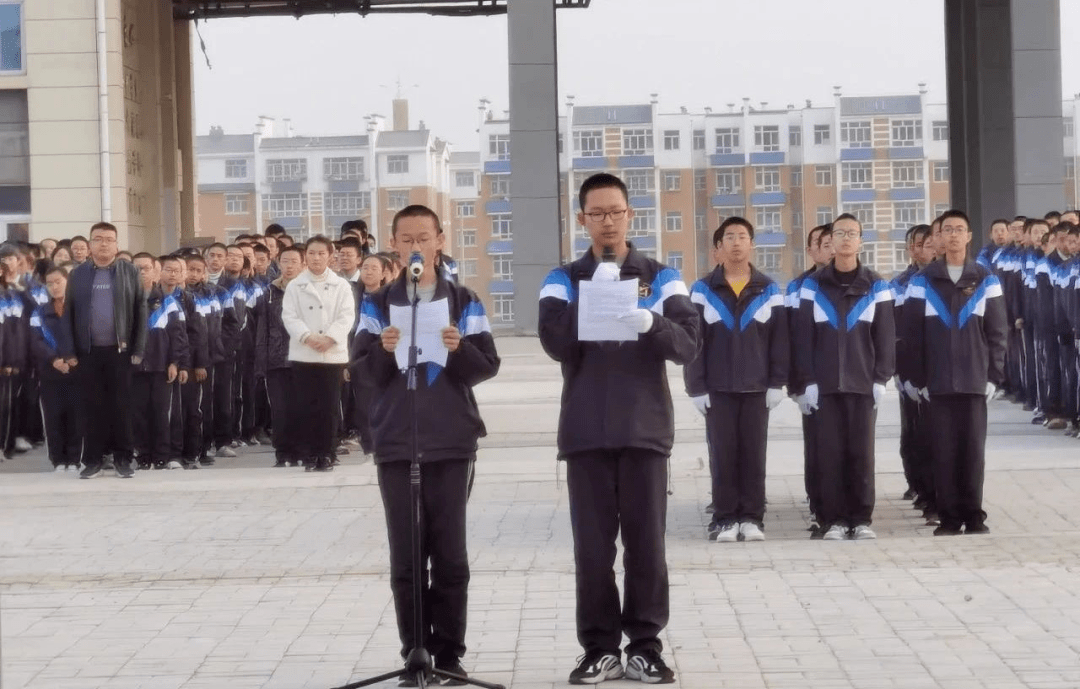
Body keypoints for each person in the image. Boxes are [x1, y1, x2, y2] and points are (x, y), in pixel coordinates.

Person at [538, 173, 698, 685]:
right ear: (582, 219)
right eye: (597, 213)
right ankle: (599, 648)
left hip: (644, 428)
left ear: (631, 215)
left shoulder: (663, 276)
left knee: (647, 545)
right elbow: (554, 341)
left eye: (616, 211)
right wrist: (597, 297)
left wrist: (651, 323)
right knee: (592, 548)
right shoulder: (562, 278)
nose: (607, 221)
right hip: (585, 430)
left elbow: (688, 345)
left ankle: (646, 645)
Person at [351, 204, 500, 686]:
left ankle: (449, 654)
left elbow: (487, 365)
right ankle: (415, 652)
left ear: (440, 240)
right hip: (397, 439)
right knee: (407, 557)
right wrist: (383, 349)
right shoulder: (376, 304)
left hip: (452, 440)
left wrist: (460, 349)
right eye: (406, 238)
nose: (416, 245)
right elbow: (361, 370)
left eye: (424, 236)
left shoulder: (464, 299)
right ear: (394, 244)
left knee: (450, 554)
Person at [902, 210, 1007, 534]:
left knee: (973, 453)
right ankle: (948, 517)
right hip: (939, 384)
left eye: (959, 229)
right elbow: (912, 334)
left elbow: (998, 332)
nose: (953, 235)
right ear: (939, 238)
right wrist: (917, 379)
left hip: (974, 382)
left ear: (969, 236)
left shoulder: (986, 279)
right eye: (947, 229)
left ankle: (973, 515)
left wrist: (993, 376)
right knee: (943, 453)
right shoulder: (923, 281)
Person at [792, 213, 895, 541]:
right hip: (824, 387)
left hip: (862, 384)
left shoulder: (876, 284)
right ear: (832, 242)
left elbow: (885, 336)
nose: (846, 239)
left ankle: (861, 518)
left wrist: (881, 379)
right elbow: (803, 336)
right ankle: (833, 519)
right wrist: (806, 381)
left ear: (861, 241)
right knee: (830, 454)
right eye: (840, 233)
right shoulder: (812, 285)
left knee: (861, 454)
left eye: (853, 233)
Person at [685, 217, 787, 543]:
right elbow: (694, 343)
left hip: (757, 389)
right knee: (723, 454)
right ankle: (726, 518)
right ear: (719, 248)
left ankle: (752, 518)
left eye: (743, 236)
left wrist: (777, 382)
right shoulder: (702, 290)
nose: (737, 242)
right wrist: (696, 387)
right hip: (718, 389)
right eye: (729, 237)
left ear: (752, 245)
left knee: (754, 454)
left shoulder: (769, 289)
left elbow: (780, 342)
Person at [62, 222, 147, 479]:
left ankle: (123, 459)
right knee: (91, 408)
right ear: (89, 245)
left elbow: (140, 311)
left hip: (120, 351)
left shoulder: (129, 272)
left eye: (109, 239)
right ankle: (93, 460)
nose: (103, 244)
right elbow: (68, 314)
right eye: (98, 239)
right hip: (88, 353)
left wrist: (138, 348)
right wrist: (69, 351)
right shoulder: (78, 275)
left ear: (117, 244)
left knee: (121, 407)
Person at [281, 235, 356, 472]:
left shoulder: (341, 285)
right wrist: (307, 337)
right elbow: (289, 316)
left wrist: (330, 338)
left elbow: (347, 316)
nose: (316, 258)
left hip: (332, 354)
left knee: (330, 406)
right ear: (306, 256)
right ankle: (310, 454)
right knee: (306, 406)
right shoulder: (295, 285)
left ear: (330, 255)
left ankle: (327, 453)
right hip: (304, 353)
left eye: (321, 253)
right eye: (311, 253)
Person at [785, 224, 833, 537]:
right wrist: (796, 385)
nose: (829, 249)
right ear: (811, 250)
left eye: (834, 242)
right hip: (813, 381)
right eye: (823, 243)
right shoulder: (798, 287)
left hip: (847, 381)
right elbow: (791, 337)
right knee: (818, 448)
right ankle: (820, 505)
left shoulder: (859, 281)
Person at [131, 255, 188, 471]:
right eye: (137, 269)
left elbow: (179, 335)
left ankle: (163, 456)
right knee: (139, 414)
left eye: (146, 268)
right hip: (135, 368)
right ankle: (143, 456)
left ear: (156, 272)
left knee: (161, 413)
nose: (142, 272)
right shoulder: (126, 301)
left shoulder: (167, 302)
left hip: (161, 367)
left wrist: (176, 362)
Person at [256, 245, 304, 468]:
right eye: (285, 261)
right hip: (275, 360)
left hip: (302, 358)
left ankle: (301, 450)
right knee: (280, 409)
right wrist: (261, 362)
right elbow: (262, 329)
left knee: (300, 407)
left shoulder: (308, 290)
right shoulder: (268, 293)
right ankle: (282, 452)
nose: (289, 265)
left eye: (294, 261)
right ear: (279, 263)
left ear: (302, 264)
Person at [30, 266, 80, 472]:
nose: (54, 287)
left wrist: (72, 359)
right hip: (50, 372)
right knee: (53, 416)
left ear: (67, 281)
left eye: (58, 282)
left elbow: (84, 337)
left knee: (77, 416)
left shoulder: (78, 309)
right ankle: (58, 460)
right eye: (49, 284)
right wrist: (54, 360)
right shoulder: (39, 312)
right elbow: (35, 341)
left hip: (76, 370)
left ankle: (75, 458)